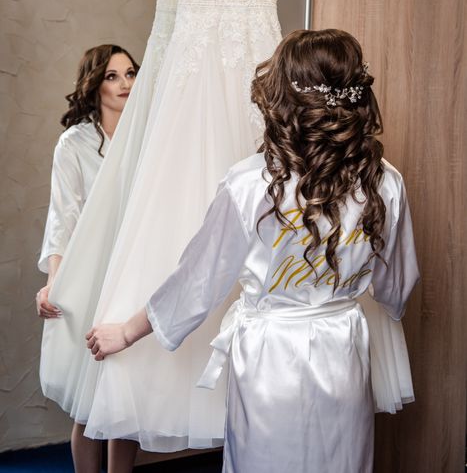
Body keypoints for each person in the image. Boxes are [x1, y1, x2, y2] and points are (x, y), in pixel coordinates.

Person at [86, 29, 420, 473]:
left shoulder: (249, 184)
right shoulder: (385, 182)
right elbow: (397, 286)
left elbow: (199, 279)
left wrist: (128, 332)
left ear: (283, 97)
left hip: (269, 355)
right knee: (341, 459)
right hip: (343, 350)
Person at [36, 44, 140, 473]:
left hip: (133, 269)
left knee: (125, 396)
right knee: (89, 400)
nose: (125, 83)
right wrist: (54, 283)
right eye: (113, 76)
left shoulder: (145, 138)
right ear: (95, 84)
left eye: (130, 73)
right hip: (89, 275)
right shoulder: (73, 144)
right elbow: (62, 220)